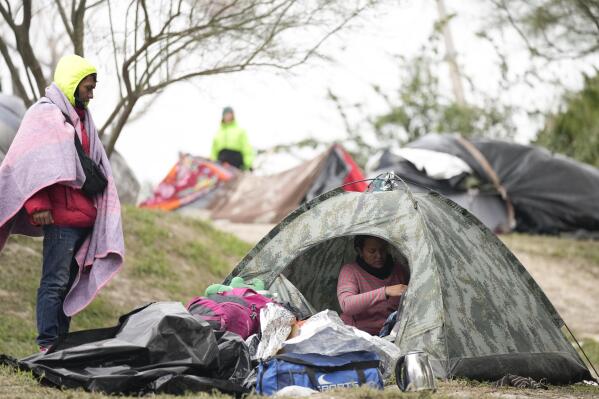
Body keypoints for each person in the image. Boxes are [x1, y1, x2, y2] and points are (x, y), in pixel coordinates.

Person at [0, 54, 125, 352]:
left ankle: (61, 346)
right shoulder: (44, 115)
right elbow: (30, 164)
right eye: (88, 86)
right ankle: (47, 345)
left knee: (68, 286)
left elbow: (94, 164)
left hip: (84, 218)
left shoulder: (84, 120)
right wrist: (36, 205)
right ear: (73, 83)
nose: (91, 93)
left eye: (94, 87)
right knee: (54, 282)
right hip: (59, 219)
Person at [337, 235, 409, 335]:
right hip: (357, 335)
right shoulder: (350, 271)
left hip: (390, 334)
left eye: (383, 250)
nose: (379, 256)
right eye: (372, 251)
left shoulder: (399, 270)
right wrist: (385, 291)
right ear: (360, 251)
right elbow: (346, 304)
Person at [210, 106, 254, 170]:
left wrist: (248, 163)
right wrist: (213, 162)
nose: (228, 116)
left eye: (230, 114)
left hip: (236, 160)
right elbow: (213, 150)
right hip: (221, 161)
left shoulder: (240, 130)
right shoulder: (218, 133)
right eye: (226, 114)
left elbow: (246, 147)